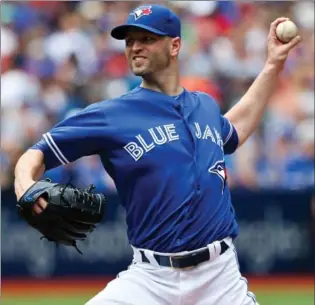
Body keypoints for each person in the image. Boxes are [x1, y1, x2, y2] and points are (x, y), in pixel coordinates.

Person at [14, 4, 301, 305]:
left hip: (221, 280)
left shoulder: (204, 105)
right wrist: (26, 187)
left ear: (175, 44)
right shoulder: (112, 115)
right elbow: (36, 154)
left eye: (147, 39)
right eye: (129, 41)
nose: (135, 47)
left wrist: (273, 64)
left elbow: (235, 130)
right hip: (150, 280)